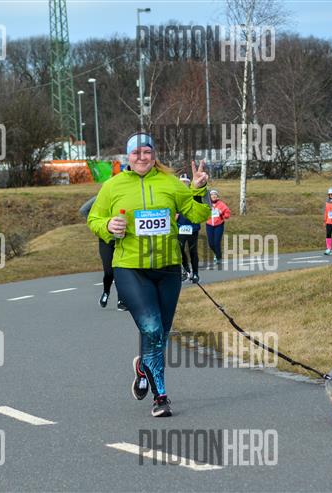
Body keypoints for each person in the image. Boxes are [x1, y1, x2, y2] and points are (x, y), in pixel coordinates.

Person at [88, 132, 210, 417]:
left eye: (147, 152)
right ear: (128, 157)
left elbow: (198, 215)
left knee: (160, 333)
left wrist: (199, 189)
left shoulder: (170, 183)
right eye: (136, 152)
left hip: (168, 269)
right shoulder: (113, 186)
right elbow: (94, 219)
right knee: (152, 328)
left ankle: (144, 366)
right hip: (130, 267)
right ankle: (161, 397)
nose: (142, 157)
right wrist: (108, 226)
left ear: (154, 155)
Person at [79, 196, 127, 310]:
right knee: (109, 271)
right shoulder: (101, 196)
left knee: (120, 270)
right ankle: (106, 292)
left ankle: (121, 299)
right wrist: (96, 224)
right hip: (105, 240)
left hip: (123, 239)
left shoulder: (125, 195)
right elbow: (83, 210)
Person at [177, 172, 202, 283]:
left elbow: (200, 207)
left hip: (193, 226)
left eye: (186, 182)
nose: (184, 184)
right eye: (182, 182)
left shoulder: (194, 194)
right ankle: (186, 270)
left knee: (193, 251)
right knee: (179, 249)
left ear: (189, 183)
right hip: (180, 226)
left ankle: (195, 273)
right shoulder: (176, 193)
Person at [206, 189, 231, 266]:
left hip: (219, 225)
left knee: (216, 242)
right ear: (209, 197)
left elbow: (227, 214)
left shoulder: (221, 204)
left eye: (215, 194)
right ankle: (217, 253)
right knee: (211, 243)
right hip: (209, 225)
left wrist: (221, 213)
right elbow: (202, 212)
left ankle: (219, 257)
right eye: (212, 195)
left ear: (217, 196)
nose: (213, 196)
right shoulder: (207, 204)